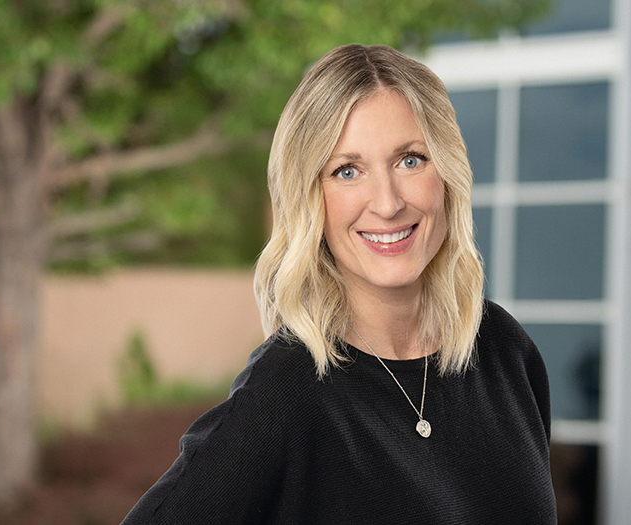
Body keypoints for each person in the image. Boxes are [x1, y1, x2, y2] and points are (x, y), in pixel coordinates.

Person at [121, 43, 556, 524]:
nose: (387, 203)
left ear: (448, 173)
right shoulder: (286, 393)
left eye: (410, 160)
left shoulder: (506, 352)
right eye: (347, 171)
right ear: (311, 198)